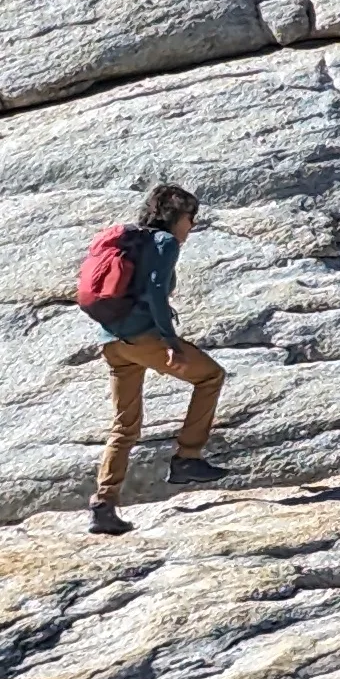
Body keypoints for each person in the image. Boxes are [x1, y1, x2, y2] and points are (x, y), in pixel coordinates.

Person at [89, 181, 225, 534]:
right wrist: (170, 341)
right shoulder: (164, 243)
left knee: (124, 426)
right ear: (174, 217)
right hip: (143, 338)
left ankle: (104, 504)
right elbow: (156, 291)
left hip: (112, 342)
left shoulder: (134, 240)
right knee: (210, 377)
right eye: (190, 217)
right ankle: (187, 458)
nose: (191, 226)